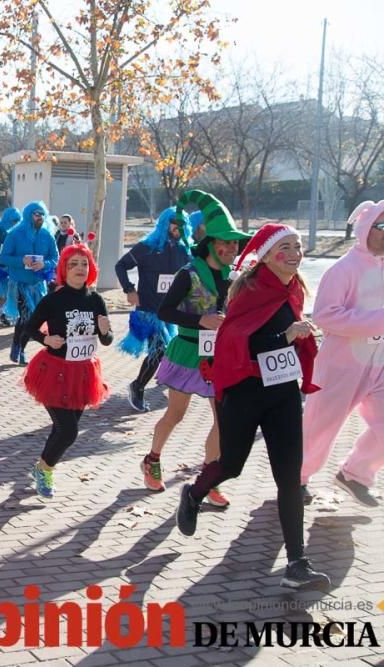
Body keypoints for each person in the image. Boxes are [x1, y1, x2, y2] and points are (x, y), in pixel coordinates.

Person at [177, 224, 330, 591]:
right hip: (245, 393)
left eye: (298, 246)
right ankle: (194, 493)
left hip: (283, 394)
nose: (295, 253)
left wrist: (301, 336)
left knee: (289, 477)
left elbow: (282, 342)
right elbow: (238, 345)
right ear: (266, 255)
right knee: (231, 464)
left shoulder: (293, 289)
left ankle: (297, 563)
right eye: (286, 247)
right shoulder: (249, 290)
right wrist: (287, 336)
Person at [141, 203, 250, 503]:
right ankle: (152, 459)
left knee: (223, 420)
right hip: (187, 353)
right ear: (210, 245)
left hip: (221, 357)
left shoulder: (234, 276)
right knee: (177, 413)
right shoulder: (188, 274)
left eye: (235, 242)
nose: (232, 247)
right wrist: (199, 320)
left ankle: (209, 478)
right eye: (226, 242)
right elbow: (164, 311)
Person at [300, 200, 384, 507]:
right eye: (382, 226)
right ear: (365, 227)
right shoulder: (343, 269)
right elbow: (325, 315)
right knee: (320, 426)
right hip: (341, 364)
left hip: (379, 363)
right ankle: (297, 478)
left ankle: (355, 474)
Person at [22, 236, 113, 497]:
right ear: (64, 269)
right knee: (69, 431)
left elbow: (106, 339)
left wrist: (106, 333)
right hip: (55, 372)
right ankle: (45, 469)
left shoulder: (95, 299)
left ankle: (42, 465)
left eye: (84, 264)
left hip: (84, 372)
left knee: (63, 428)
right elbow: (30, 326)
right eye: (73, 264)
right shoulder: (54, 299)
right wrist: (46, 338)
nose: (79, 269)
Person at [115, 205, 193, 412]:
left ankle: (163, 379)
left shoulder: (185, 250)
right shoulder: (147, 247)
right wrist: (129, 289)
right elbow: (121, 265)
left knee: (171, 350)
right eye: (174, 225)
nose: (177, 230)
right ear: (165, 224)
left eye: (182, 226)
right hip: (150, 310)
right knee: (159, 351)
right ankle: (137, 386)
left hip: (172, 312)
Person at [0, 201, 58, 365]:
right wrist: (21, 260)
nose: (40, 217)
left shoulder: (47, 235)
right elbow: (3, 258)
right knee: (26, 317)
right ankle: (19, 349)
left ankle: (19, 346)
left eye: (42, 214)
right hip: (19, 284)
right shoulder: (15, 234)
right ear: (28, 215)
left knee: (34, 320)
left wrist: (44, 264)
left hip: (39, 285)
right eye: (36, 214)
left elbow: (56, 258)